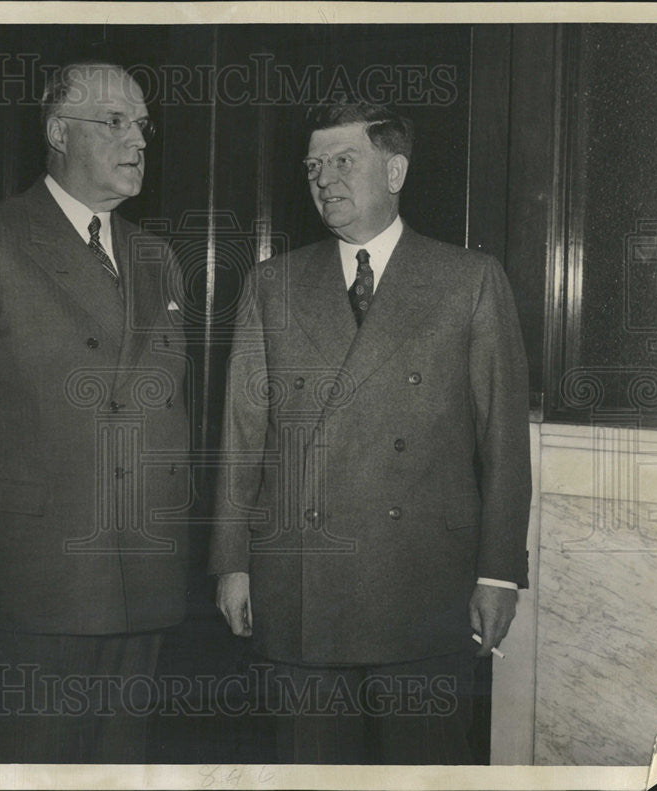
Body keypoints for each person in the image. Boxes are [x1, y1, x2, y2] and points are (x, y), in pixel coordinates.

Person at [210, 100, 531, 764]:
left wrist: (500, 572)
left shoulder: (469, 280)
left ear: (395, 170)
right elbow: (243, 436)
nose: (324, 178)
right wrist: (232, 560)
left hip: (424, 589)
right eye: (313, 165)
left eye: (343, 160)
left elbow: (503, 440)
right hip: (302, 584)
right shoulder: (272, 285)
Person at [0, 61, 190, 763]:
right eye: (115, 121)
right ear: (58, 132)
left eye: (143, 124)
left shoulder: (159, 258)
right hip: (27, 594)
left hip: (142, 590)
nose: (139, 139)